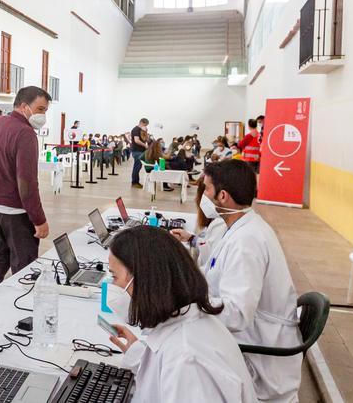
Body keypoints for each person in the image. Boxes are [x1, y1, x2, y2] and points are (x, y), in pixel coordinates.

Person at [104, 226, 257, 403]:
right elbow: (164, 375)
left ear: (145, 281)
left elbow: (180, 372)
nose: (112, 287)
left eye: (114, 277)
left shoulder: (187, 360)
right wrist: (138, 354)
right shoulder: (189, 323)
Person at [196, 160, 302, 402]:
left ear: (222, 196)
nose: (203, 195)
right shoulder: (239, 228)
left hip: (260, 355)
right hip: (254, 335)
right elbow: (213, 273)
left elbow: (236, 314)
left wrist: (190, 303)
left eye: (207, 189)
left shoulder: (247, 241)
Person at [0, 86, 51, 297]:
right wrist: (39, 219)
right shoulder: (25, 134)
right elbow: (26, 182)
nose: (43, 115)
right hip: (14, 213)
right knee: (24, 267)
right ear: (24, 106)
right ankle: (22, 309)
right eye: (40, 109)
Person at [129, 118, 150, 188]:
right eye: (145, 125)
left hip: (140, 151)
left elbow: (146, 139)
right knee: (137, 167)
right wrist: (145, 145)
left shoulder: (141, 130)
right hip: (137, 151)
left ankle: (135, 182)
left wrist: (146, 133)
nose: (146, 126)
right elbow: (136, 140)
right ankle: (134, 182)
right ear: (142, 123)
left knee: (138, 166)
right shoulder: (136, 129)